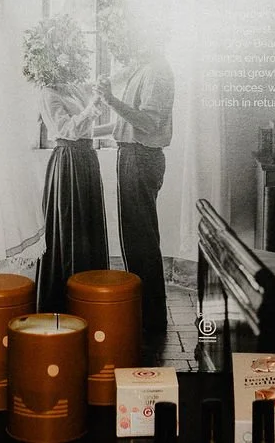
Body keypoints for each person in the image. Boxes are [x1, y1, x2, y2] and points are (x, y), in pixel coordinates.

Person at [101, 20, 174, 334]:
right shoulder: (145, 68)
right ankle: (145, 313)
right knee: (134, 238)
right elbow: (129, 125)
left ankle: (151, 317)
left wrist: (110, 100)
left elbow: (146, 122)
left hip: (140, 158)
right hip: (133, 155)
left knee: (141, 240)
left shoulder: (156, 71)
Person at [36, 75, 108, 311]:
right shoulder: (48, 93)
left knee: (87, 227)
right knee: (69, 226)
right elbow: (66, 129)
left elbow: (85, 128)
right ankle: (65, 301)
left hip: (86, 159)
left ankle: (88, 298)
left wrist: (97, 100)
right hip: (69, 162)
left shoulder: (73, 88)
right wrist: (90, 107)